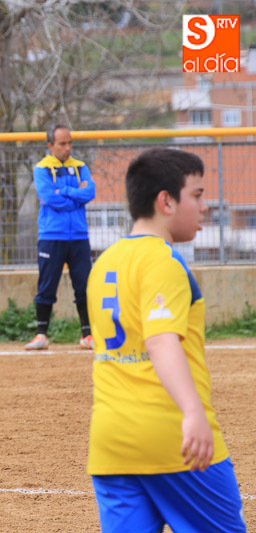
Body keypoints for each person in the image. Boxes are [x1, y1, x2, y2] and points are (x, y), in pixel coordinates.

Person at [86, 148, 246, 532]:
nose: (205, 206)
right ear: (166, 201)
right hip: (171, 437)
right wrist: (193, 412)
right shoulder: (163, 260)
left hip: (111, 442)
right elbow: (160, 341)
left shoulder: (103, 263)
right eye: (197, 195)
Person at [25, 124, 96, 351]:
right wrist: (76, 197)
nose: (68, 148)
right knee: (47, 285)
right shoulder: (41, 169)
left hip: (79, 236)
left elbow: (90, 192)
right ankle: (41, 334)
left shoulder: (80, 167)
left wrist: (64, 191)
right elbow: (48, 198)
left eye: (70, 143)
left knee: (84, 285)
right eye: (62, 144)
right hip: (51, 235)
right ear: (50, 145)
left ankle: (87, 334)